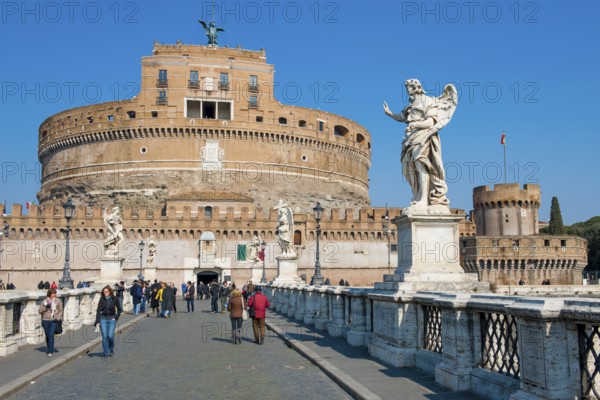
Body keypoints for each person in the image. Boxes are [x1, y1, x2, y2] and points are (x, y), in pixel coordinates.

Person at [383, 79, 458, 210]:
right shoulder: (411, 103)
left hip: (424, 135)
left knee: (421, 164)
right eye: (406, 87)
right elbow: (403, 117)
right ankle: (418, 196)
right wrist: (389, 113)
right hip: (410, 137)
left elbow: (430, 122)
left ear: (416, 87)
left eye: (409, 87)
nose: (407, 89)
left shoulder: (427, 101)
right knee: (408, 168)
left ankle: (424, 199)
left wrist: (415, 125)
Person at [94, 285, 122, 359]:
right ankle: (106, 353)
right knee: (104, 337)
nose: (105, 293)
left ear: (110, 291)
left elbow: (119, 309)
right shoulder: (102, 299)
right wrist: (97, 321)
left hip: (112, 319)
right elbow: (98, 310)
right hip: (103, 319)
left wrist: (116, 318)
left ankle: (111, 348)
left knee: (110, 336)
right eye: (104, 292)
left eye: (106, 291)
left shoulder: (115, 299)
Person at [38, 288, 63, 357]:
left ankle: (50, 351)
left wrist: (57, 318)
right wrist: (45, 308)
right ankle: (49, 348)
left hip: (53, 320)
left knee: (51, 335)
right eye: (52, 293)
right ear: (49, 294)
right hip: (45, 321)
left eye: (55, 293)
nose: (54, 295)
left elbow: (61, 310)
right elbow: (39, 311)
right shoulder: (44, 301)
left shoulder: (58, 301)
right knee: (47, 336)